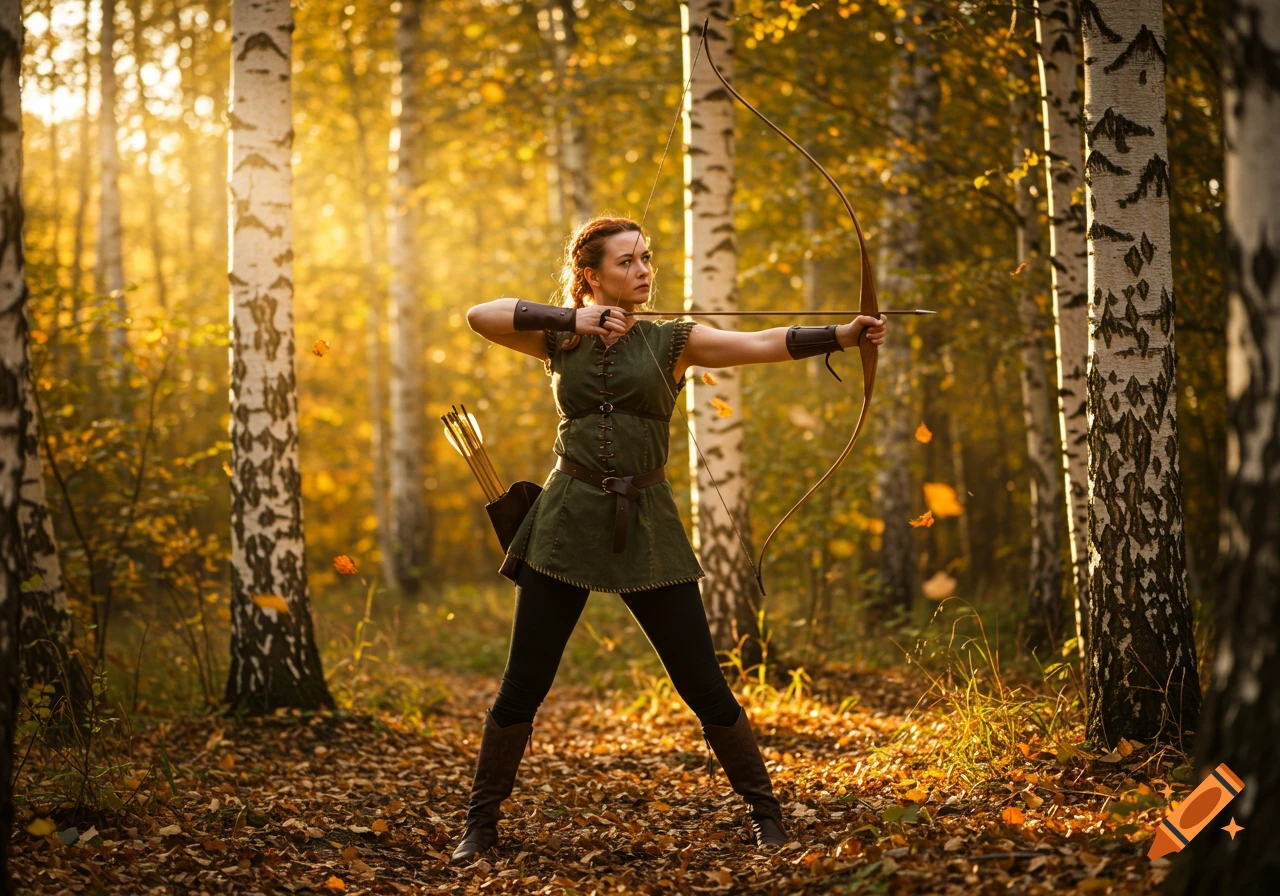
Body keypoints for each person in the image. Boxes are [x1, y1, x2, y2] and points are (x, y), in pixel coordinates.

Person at [453, 215, 888, 864]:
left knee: (702, 681)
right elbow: (479, 316)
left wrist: (843, 335)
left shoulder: (672, 340)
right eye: (626, 262)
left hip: (647, 522)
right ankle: (479, 827)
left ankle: (766, 817)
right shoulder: (557, 340)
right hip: (566, 521)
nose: (644, 271)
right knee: (523, 684)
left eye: (646, 259)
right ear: (591, 275)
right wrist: (576, 321)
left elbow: (761, 343)